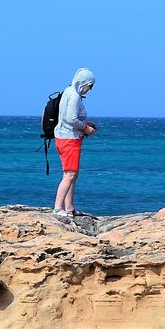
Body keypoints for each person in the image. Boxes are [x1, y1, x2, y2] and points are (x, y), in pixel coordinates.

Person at [53, 67, 97, 219]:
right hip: (69, 139)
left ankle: (69, 207)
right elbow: (70, 119)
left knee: (72, 174)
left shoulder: (68, 91)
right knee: (69, 174)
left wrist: (84, 123)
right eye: (90, 86)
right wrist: (85, 128)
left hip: (63, 137)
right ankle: (58, 207)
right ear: (84, 83)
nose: (90, 90)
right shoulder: (75, 96)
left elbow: (69, 117)